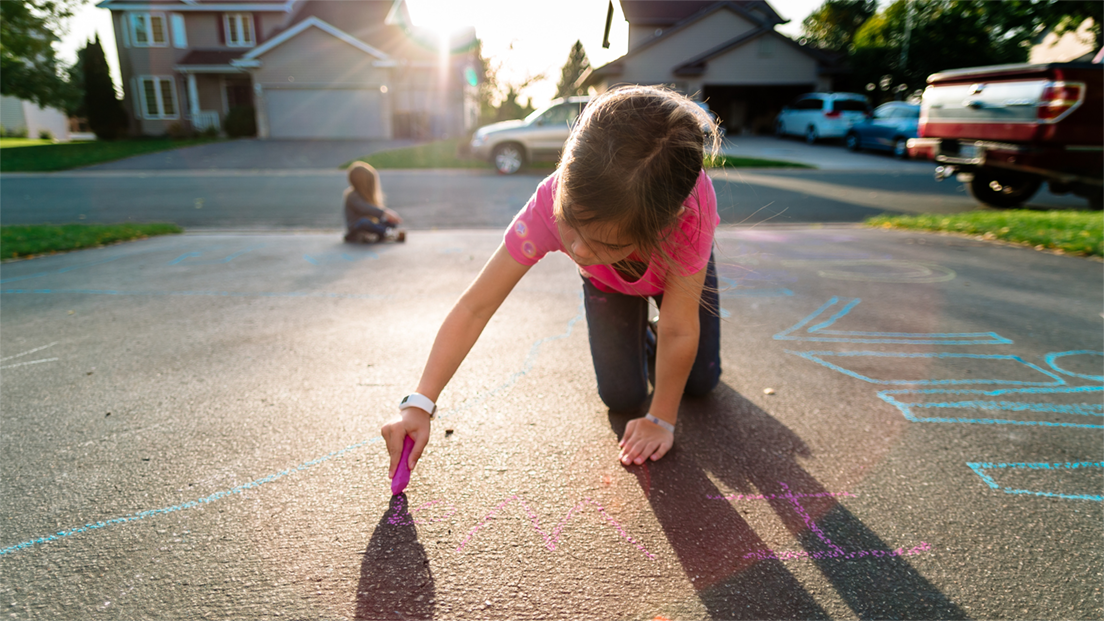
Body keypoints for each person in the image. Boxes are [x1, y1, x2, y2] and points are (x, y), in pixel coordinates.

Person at [382, 85, 722, 484]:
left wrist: (661, 418)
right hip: (608, 282)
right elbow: (475, 306)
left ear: (664, 225)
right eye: (571, 223)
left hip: (675, 272)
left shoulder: (690, 214)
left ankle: (656, 333)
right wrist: (420, 402)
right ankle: (648, 335)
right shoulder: (550, 201)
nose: (578, 249)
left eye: (606, 243)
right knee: (622, 396)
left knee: (700, 382)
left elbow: (680, 327)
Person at [344, 162, 405, 243]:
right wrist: (385, 212)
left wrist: (389, 218)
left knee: (390, 222)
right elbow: (365, 208)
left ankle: (381, 232)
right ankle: (387, 233)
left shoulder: (366, 196)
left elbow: (373, 210)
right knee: (365, 222)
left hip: (370, 226)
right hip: (356, 227)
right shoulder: (352, 195)